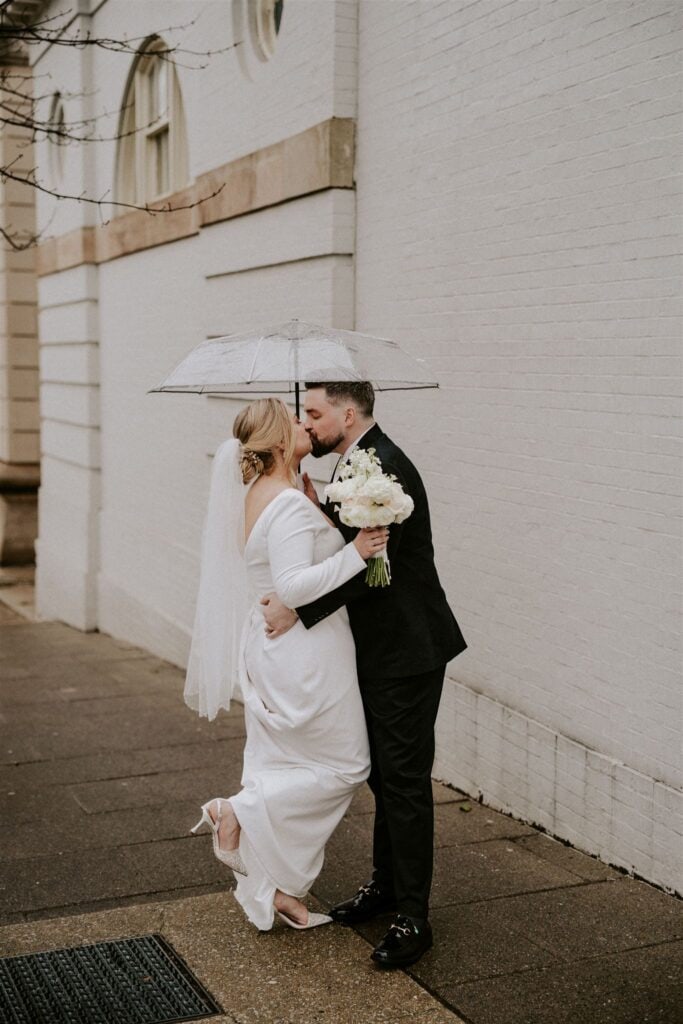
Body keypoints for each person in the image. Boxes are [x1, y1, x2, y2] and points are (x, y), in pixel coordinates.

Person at [261, 382, 468, 966]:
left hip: (408, 652)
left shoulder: (387, 470)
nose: (308, 424)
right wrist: (318, 504)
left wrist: (295, 609)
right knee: (382, 775)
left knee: (403, 781)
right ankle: (384, 887)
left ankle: (414, 919)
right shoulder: (355, 463)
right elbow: (351, 543)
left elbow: (371, 562)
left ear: (348, 414)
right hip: (377, 652)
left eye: (315, 413)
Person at [185, 398, 388, 931]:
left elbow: (281, 570)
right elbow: (296, 586)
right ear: (279, 442)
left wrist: (315, 505)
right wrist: (358, 551)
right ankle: (237, 813)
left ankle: (279, 888)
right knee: (345, 767)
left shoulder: (264, 495)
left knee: (280, 767)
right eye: (295, 422)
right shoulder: (289, 505)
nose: (305, 425)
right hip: (307, 654)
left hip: (272, 649)